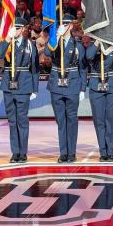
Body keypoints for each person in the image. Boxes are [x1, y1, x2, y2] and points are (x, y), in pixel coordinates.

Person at [44, 14, 87, 163]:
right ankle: (63, 152)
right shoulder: (55, 42)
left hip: (73, 84)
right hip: (56, 84)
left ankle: (72, 153)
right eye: (63, 25)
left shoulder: (78, 45)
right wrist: (56, 36)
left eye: (67, 24)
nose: (65, 27)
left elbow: (83, 68)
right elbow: (47, 53)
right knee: (61, 121)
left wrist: (82, 88)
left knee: (72, 120)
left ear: (71, 26)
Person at [0, 17, 39, 163]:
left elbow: (35, 68)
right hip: (9, 83)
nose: (15, 31)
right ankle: (15, 152)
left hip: (24, 83)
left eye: (17, 28)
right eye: (13, 28)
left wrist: (35, 88)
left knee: (22, 120)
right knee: (12, 121)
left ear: (22, 29)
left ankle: (23, 152)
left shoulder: (30, 45)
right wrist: (8, 38)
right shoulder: (8, 43)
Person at [86, 39, 113, 161]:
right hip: (95, 86)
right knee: (99, 121)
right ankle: (103, 151)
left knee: (111, 120)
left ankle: (110, 151)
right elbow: (88, 56)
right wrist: (97, 42)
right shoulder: (92, 46)